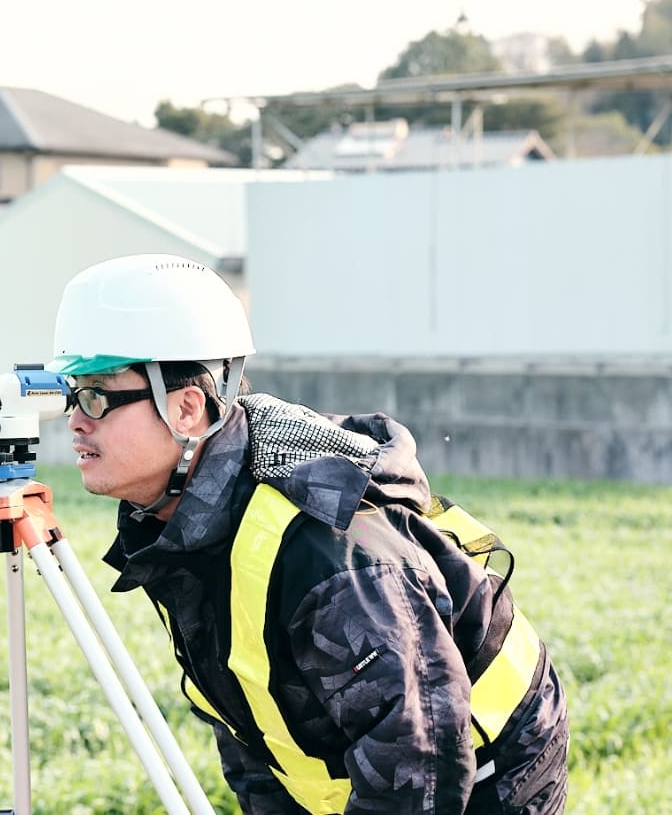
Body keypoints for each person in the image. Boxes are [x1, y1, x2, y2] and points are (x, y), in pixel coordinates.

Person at [50, 253, 568, 815]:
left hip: (489, 772)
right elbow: (250, 722)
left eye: (97, 396)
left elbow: (417, 759)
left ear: (187, 408)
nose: (76, 419)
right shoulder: (183, 529)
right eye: (72, 393)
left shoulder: (328, 552)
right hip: (352, 767)